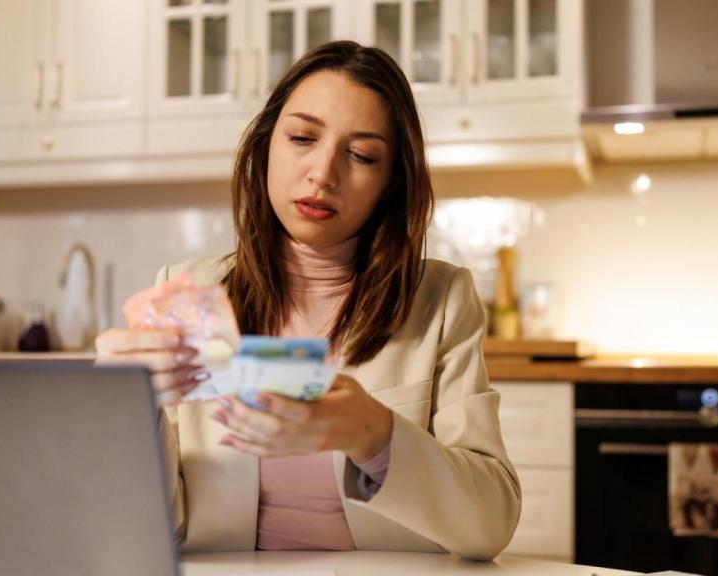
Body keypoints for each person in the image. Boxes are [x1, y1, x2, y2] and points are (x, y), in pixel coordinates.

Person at [95, 41, 520, 560]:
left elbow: (490, 525)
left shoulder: (442, 300)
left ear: (390, 183)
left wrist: (374, 434)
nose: (323, 174)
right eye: (302, 138)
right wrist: (128, 410)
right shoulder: (189, 291)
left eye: (362, 155)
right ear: (265, 147)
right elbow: (151, 530)